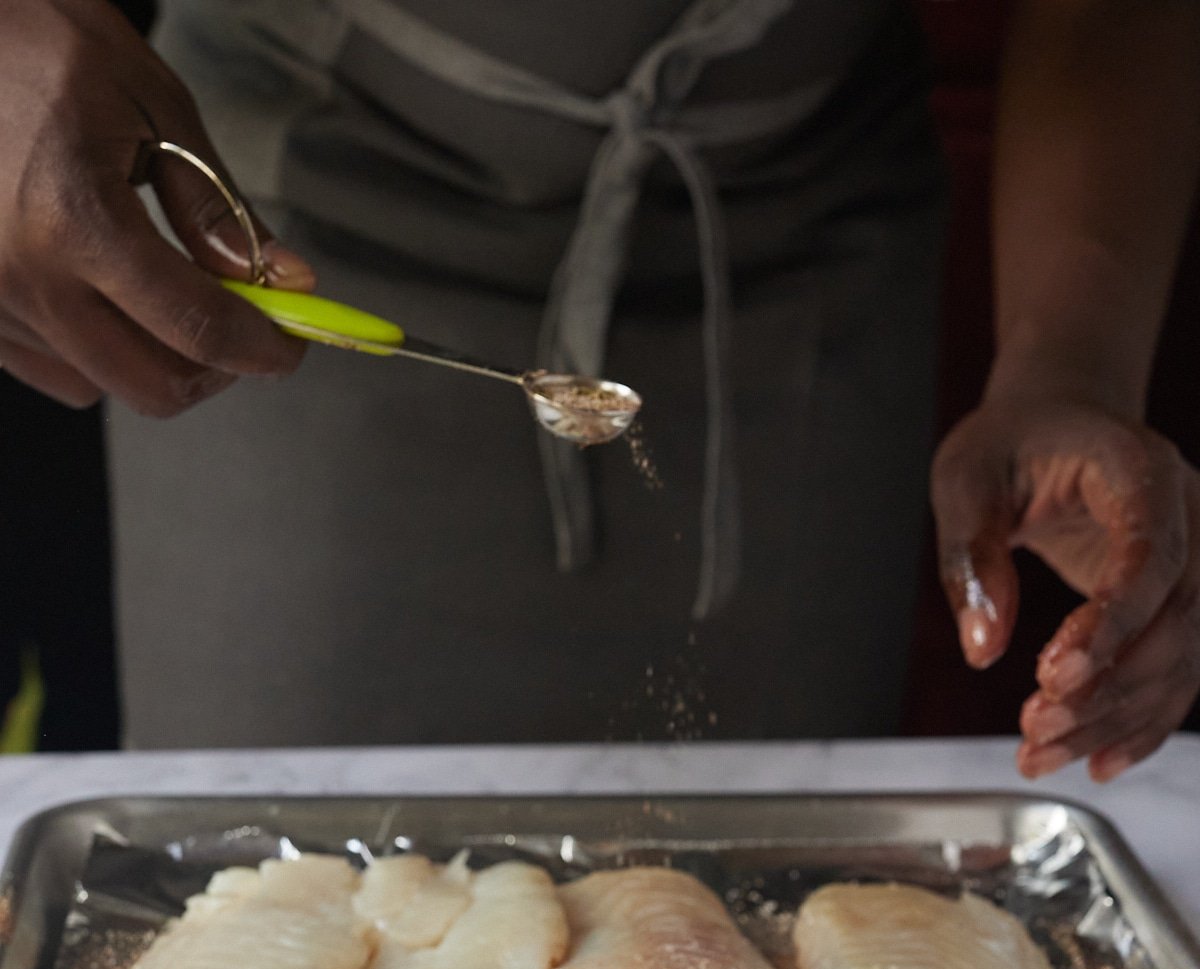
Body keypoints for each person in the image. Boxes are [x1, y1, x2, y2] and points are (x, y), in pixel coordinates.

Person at [0, 0, 1197, 774]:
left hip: (799, 246)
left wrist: (1069, 362)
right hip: (304, 206)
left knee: (749, 907)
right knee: (277, 907)